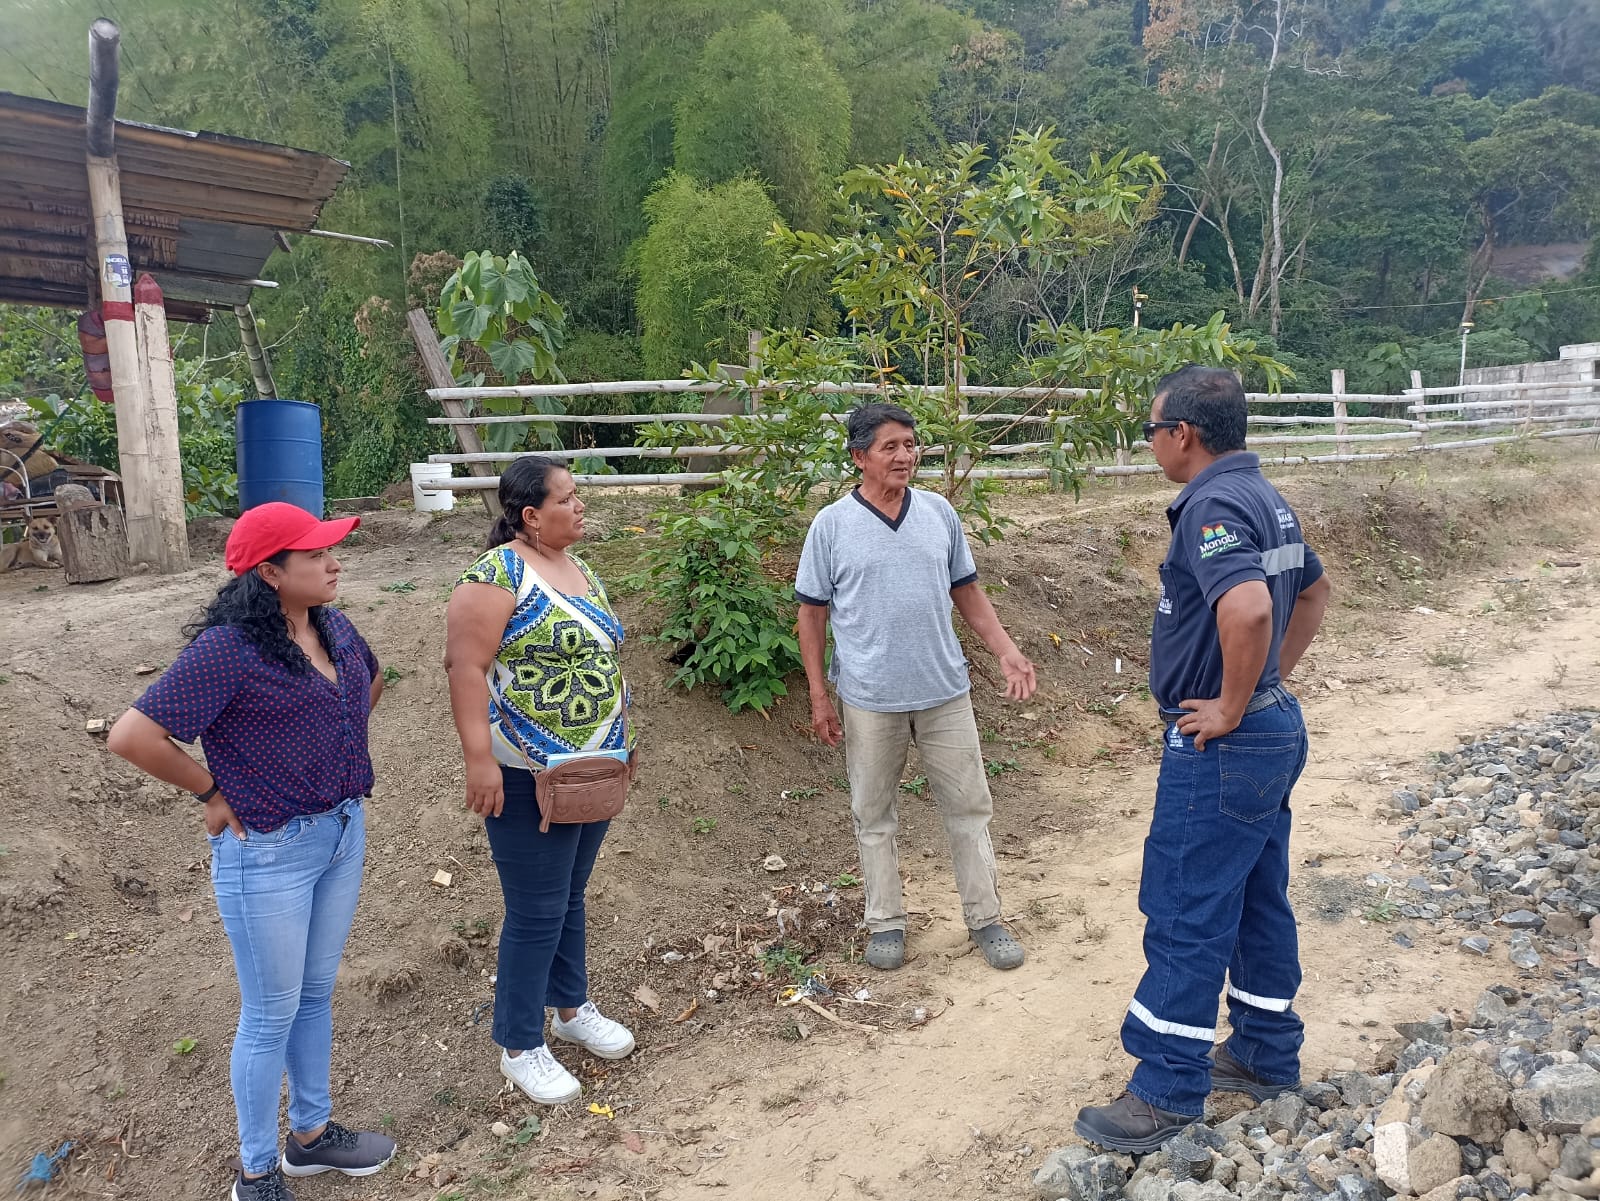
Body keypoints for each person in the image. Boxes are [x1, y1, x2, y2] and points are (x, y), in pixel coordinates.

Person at [1074, 366, 1332, 1153]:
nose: (1151, 443)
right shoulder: (1264, 497)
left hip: (1226, 741)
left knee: (1185, 905)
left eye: (1151, 431)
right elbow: (1313, 592)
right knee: (1255, 895)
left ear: (1181, 433)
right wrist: (1266, 685)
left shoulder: (1212, 505)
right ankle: (1263, 1050)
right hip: (1270, 728)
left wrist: (1231, 701)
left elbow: (1248, 608)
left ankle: (1165, 1088)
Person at [106, 502, 395, 1201]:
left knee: (315, 993)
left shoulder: (332, 625)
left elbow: (370, 679)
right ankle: (256, 1173)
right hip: (268, 852)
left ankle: (310, 1135)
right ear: (269, 572)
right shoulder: (229, 650)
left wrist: (327, 746)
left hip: (340, 832)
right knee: (269, 1015)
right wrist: (211, 790)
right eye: (315, 555)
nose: (334, 564)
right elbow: (132, 736)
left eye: (330, 550)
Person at [795, 402, 1038, 972]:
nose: (905, 456)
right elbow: (811, 614)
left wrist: (1007, 651)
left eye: (910, 444)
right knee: (873, 813)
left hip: (944, 692)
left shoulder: (938, 514)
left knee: (969, 807)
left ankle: (985, 918)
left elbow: (967, 592)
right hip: (868, 699)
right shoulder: (832, 525)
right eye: (891, 447)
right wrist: (818, 694)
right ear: (860, 457)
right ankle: (886, 923)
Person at [444, 455, 637, 1107]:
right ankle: (520, 1042)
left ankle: (571, 1007)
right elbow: (465, 667)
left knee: (570, 896)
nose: (580, 506)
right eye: (567, 498)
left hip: (592, 768)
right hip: (527, 774)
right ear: (530, 514)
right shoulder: (495, 575)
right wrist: (479, 759)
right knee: (535, 911)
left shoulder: (578, 568)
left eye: (578, 495)